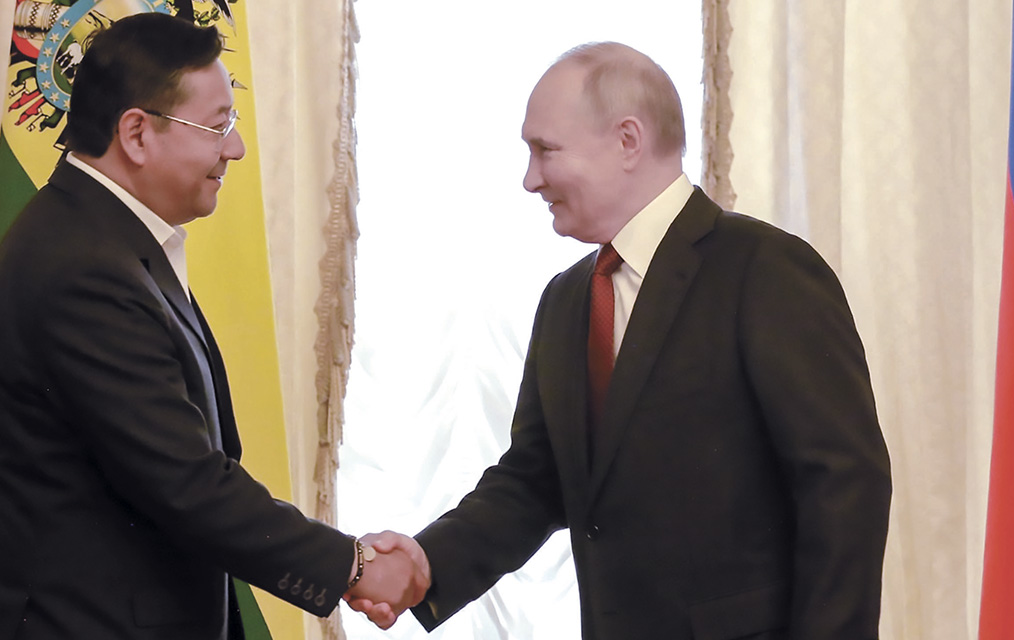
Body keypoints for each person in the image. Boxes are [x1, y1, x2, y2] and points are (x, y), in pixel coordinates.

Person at [350, 42, 891, 639]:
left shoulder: (766, 270)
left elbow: (844, 486)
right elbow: (536, 480)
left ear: (627, 140)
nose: (530, 179)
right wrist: (428, 562)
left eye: (544, 151)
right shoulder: (567, 300)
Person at [0, 13, 425, 640]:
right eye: (218, 125)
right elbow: (186, 482)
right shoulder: (81, 270)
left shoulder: (104, 239)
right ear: (137, 133)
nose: (235, 147)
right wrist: (353, 566)